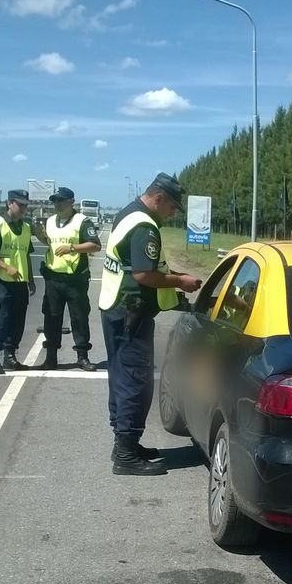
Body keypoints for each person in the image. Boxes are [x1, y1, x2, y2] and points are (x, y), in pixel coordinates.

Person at [99, 173, 201, 475]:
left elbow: (143, 267)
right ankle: (126, 453)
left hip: (116, 309)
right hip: (131, 313)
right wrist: (181, 281)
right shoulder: (145, 226)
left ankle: (124, 443)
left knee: (121, 376)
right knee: (135, 381)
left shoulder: (128, 213)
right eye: (172, 207)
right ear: (158, 198)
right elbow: (145, 275)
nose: (172, 214)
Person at [37, 187, 101, 371]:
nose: (57, 204)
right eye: (55, 201)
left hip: (75, 280)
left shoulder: (82, 221)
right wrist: (41, 237)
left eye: (61, 201)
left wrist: (72, 248)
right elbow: (50, 243)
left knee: (79, 318)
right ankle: (51, 358)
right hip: (53, 279)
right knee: (51, 318)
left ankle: (82, 357)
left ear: (71, 202)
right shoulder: (49, 221)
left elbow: (95, 245)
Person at [0, 189, 36, 374]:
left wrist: (31, 280)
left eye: (25, 205)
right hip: (1, 281)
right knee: (1, 318)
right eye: (20, 204)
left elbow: (25, 255)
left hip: (20, 282)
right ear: (9, 203)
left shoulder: (25, 227)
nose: (24, 208)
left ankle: (10, 355)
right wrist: (5, 266)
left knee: (18, 320)